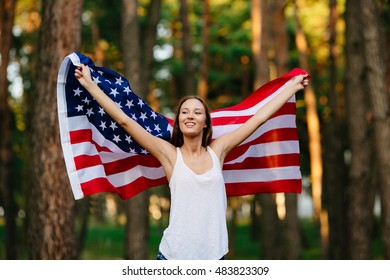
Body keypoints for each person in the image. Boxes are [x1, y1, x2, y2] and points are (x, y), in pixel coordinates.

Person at [75, 64, 309, 260]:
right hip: (173, 256)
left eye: (197, 112)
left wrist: (292, 88)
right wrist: (89, 85)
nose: (190, 116)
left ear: (206, 122)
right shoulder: (169, 154)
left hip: (215, 256)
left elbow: (258, 119)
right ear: (178, 121)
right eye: (184, 112)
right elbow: (125, 122)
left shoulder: (219, 150)